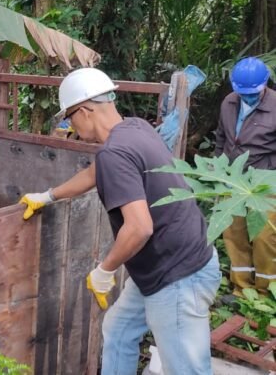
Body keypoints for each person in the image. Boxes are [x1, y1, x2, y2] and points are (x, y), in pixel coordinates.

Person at [19, 68, 220, 375]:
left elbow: (139, 227)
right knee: (118, 330)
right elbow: (94, 173)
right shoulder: (134, 128)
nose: (68, 125)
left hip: (179, 275)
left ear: (85, 111)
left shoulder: (116, 151)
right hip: (162, 267)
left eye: (68, 117)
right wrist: (48, 196)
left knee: (186, 368)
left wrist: (104, 270)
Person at [215, 56, 276, 295]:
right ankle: (241, 288)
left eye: (253, 92)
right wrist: (218, 169)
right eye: (242, 92)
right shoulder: (229, 102)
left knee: (264, 237)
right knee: (234, 233)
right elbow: (221, 137)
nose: (247, 96)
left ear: (265, 85)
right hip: (233, 178)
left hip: (265, 182)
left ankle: (265, 291)